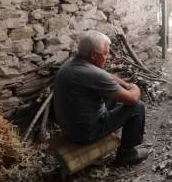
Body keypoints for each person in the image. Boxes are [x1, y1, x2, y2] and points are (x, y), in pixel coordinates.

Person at [53, 30, 149, 165]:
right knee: (137, 107)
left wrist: (125, 84)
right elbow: (132, 99)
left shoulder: (73, 63)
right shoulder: (92, 74)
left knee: (115, 95)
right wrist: (134, 87)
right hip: (85, 133)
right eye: (105, 53)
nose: (108, 57)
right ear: (93, 55)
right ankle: (127, 154)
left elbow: (105, 75)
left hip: (71, 127)